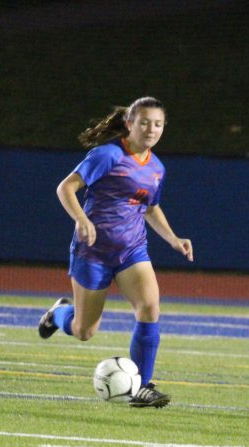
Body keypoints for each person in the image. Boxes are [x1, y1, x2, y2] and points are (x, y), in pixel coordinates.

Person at [38, 97, 193, 408]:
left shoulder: (157, 168)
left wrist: (173, 238)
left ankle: (142, 386)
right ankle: (58, 314)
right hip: (93, 252)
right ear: (130, 124)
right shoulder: (108, 155)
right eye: (145, 122)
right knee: (84, 331)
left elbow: (150, 208)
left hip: (132, 251)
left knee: (150, 308)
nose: (152, 129)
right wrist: (81, 219)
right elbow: (65, 188)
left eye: (158, 124)